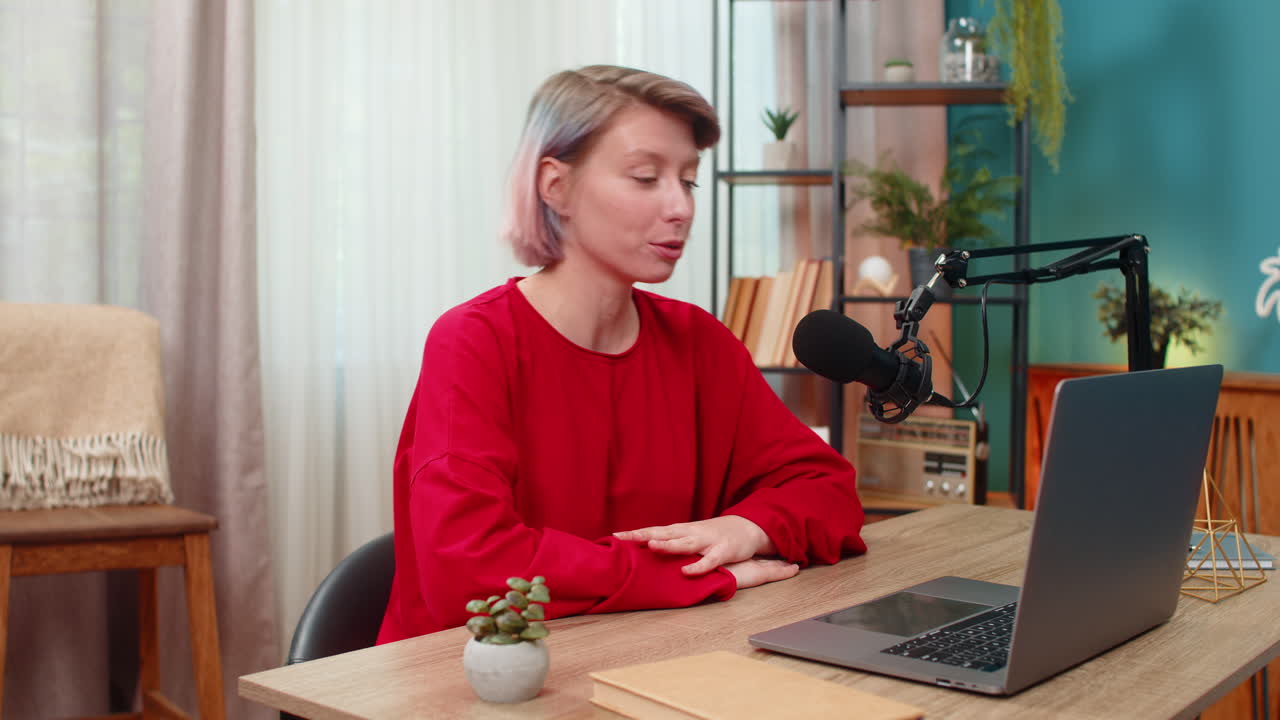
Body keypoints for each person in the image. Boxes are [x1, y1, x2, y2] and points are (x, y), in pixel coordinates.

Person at [377, 65, 866, 643]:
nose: (680, 207)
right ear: (555, 186)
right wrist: (686, 575)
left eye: (689, 181)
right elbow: (468, 569)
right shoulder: (473, 341)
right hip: (474, 672)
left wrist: (746, 529)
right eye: (644, 177)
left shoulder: (698, 341)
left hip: (648, 655)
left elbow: (828, 490)